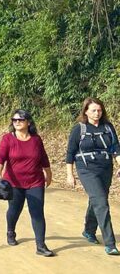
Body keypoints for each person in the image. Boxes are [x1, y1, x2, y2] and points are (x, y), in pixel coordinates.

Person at [0, 110, 54, 257]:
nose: (17, 122)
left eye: (20, 120)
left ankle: (41, 245)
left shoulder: (36, 139)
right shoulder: (8, 138)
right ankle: (10, 231)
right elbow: (0, 157)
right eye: (14, 120)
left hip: (35, 181)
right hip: (14, 183)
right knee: (15, 210)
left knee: (37, 213)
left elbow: (43, 158)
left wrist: (49, 174)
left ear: (28, 122)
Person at [65, 97, 120, 256]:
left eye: (99, 110)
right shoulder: (79, 129)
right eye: (93, 110)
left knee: (98, 199)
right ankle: (110, 243)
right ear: (86, 112)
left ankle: (89, 230)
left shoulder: (108, 127)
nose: (97, 113)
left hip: (105, 167)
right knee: (101, 202)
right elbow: (70, 153)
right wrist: (70, 174)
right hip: (86, 169)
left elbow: (115, 147)